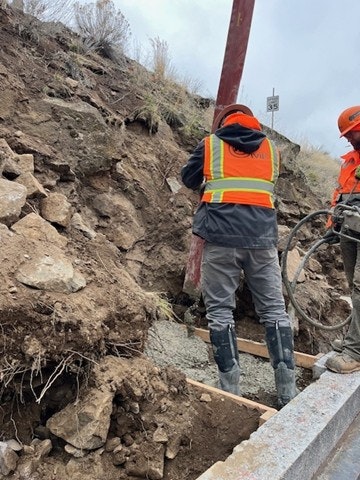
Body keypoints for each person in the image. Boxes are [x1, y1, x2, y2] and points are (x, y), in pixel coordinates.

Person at [181, 104, 298, 407]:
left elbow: (188, 179)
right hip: (262, 241)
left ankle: (232, 394)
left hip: (221, 239)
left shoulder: (211, 145)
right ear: (254, 123)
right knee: (274, 311)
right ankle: (287, 393)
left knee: (220, 311)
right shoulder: (272, 150)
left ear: (222, 122)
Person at [325, 105, 360, 374]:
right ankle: (353, 339)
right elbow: (339, 196)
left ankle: (355, 351)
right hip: (350, 228)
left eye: (351, 133)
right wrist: (331, 224)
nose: (348, 138)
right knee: (354, 286)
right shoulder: (349, 161)